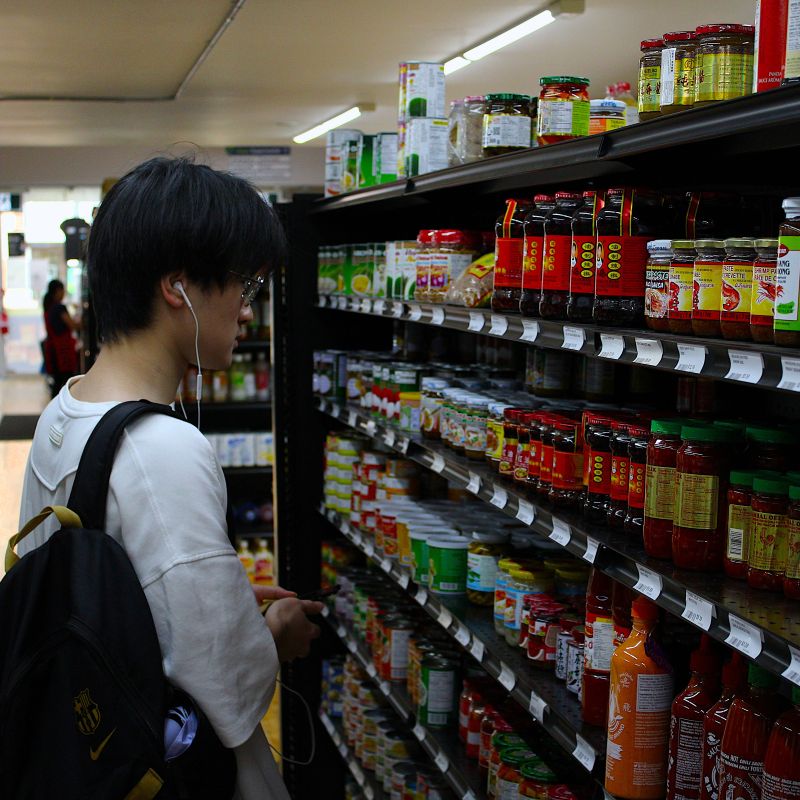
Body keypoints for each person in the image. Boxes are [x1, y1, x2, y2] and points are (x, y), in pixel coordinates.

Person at [18, 157, 321, 800]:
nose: (246, 310)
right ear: (177, 287)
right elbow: (226, 685)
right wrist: (275, 636)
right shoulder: (164, 450)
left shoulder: (65, 408)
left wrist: (221, 597)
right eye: (240, 284)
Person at [42, 278, 79, 396]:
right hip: (62, 351)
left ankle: (54, 408)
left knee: (58, 381)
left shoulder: (48, 306)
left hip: (53, 350)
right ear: (57, 291)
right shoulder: (59, 308)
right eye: (63, 290)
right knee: (65, 381)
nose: (63, 293)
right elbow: (73, 325)